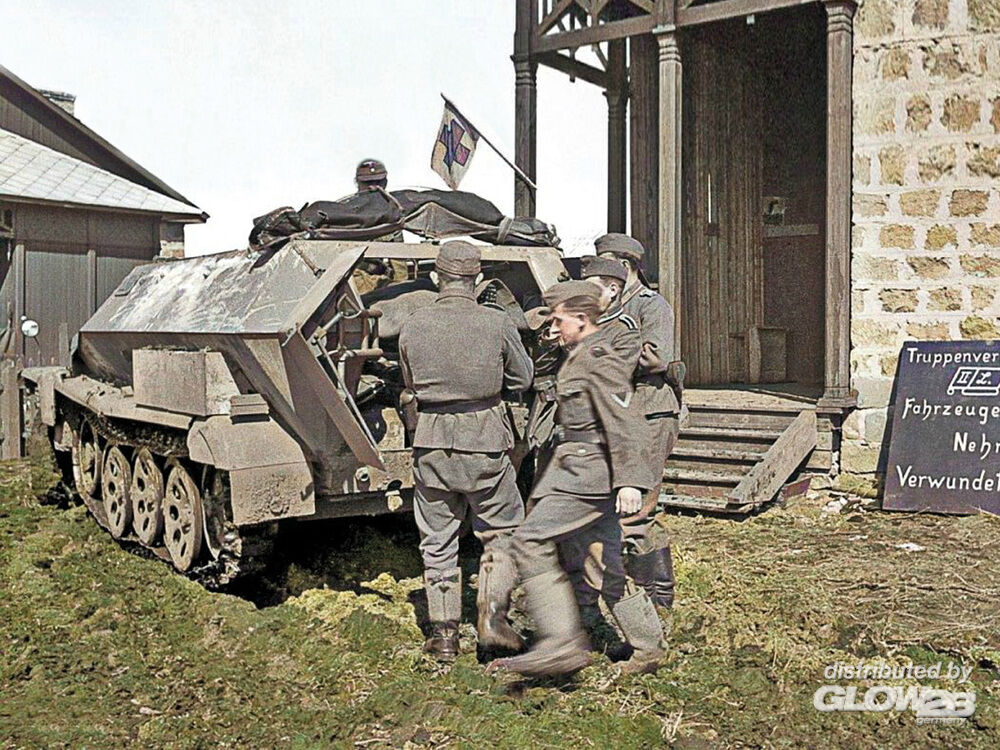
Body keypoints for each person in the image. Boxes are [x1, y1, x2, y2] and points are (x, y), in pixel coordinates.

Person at [490, 281, 668, 678]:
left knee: (528, 541)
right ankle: (648, 645)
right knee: (602, 562)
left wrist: (630, 482)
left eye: (558, 320)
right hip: (579, 467)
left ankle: (560, 646)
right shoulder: (579, 354)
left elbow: (625, 420)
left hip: (586, 473)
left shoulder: (598, 359)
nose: (552, 328)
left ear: (583, 319)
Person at [398, 241, 533, 660]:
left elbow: (407, 380)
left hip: (431, 442)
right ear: (475, 280)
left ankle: (443, 637)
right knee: (501, 533)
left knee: (437, 539)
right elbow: (523, 377)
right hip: (486, 441)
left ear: (437, 278)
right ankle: (492, 623)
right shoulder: (495, 322)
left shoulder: (414, 323)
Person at [595, 234, 681, 610]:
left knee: (639, 506)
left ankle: (658, 598)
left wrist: (600, 362)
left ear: (625, 268)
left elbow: (656, 358)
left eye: (607, 266)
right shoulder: (610, 305)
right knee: (622, 504)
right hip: (625, 409)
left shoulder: (650, 305)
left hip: (650, 409)